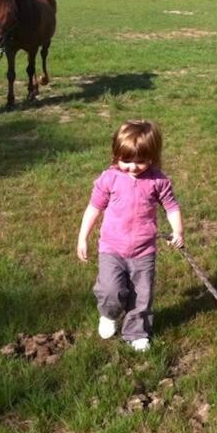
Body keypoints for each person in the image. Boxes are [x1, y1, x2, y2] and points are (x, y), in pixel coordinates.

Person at [76, 120, 185, 352]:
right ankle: (109, 314)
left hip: (143, 251)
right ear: (116, 155)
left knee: (142, 295)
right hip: (111, 249)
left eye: (140, 161)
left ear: (153, 157)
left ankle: (136, 332)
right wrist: (82, 237)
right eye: (126, 161)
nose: (133, 167)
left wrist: (178, 231)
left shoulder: (158, 181)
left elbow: (172, 207)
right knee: (110, 290)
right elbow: (94, 207)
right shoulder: (110, 178)